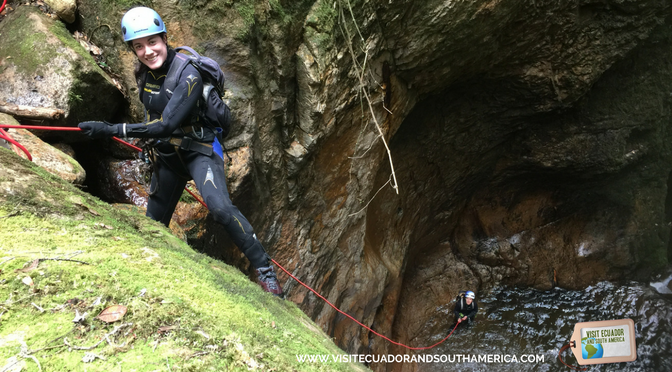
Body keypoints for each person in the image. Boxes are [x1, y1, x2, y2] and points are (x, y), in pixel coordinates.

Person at [78, 6, 283, 297]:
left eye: (152, 42)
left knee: (221, 209)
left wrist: (110, 129)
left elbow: (166, 124)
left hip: (200, 150)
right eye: (139, 46)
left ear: (164, 38)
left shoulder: (188, 75)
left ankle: (266, 272)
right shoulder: (145, 75)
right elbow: (154, 115)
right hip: (168, 155)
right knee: (154, 225)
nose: (148, 51)